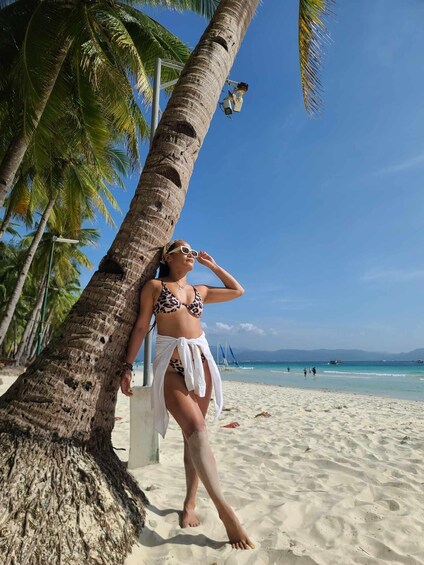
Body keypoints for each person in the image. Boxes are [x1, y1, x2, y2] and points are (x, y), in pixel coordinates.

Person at [120, 240, 254, 550]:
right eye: (183, 249)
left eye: (193, 251)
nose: (190, 254)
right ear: (167, 256)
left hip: (202, 364)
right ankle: (226, 513)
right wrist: (127, 366)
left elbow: (238, 291)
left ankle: (190, 502)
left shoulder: (200, 291)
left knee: (193, 437)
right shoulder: (155, 286)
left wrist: (213, 265)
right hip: (169, 364)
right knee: (196, 430)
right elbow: (141, 327)